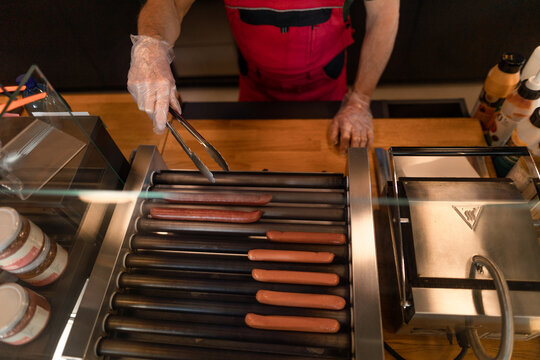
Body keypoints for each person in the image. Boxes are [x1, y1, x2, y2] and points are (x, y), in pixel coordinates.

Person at [128, 0, 399, 152]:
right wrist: (151, 45)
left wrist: (360, 101)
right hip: (255, 83)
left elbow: (384, 14)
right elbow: (171, 4)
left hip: (327, 82)